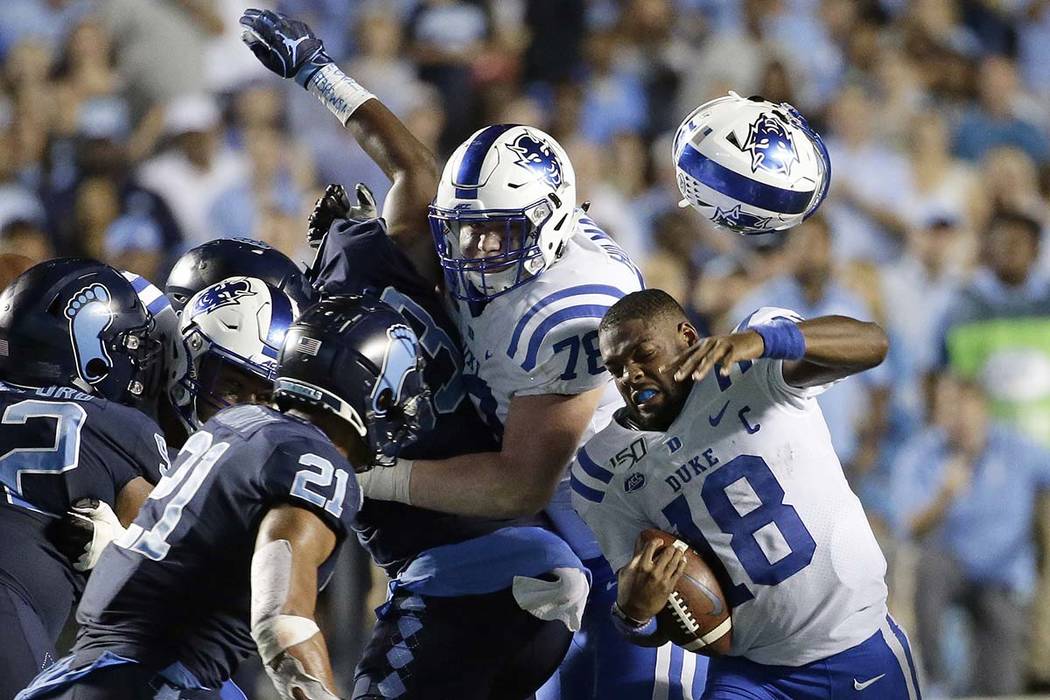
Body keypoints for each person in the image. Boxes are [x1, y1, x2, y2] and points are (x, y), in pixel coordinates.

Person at [238, 9, 690, 697]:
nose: (473, 252)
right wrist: (316, 71)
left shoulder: (566, 314)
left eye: (495, 235)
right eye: (464, 229)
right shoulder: (445, 225)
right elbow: (409, 160)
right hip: (531, 515)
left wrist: (372, 477)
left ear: (551, 229)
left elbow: (520, 482)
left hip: (610, 519)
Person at [17, 294, 432, 700]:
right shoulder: (316, 461)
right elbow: (282, 621)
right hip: (157, 679)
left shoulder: (235, 424)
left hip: (75, 675)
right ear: (372, 388)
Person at [571, 289, 922, 699]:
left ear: (687, 336)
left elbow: (872, 344)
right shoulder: (604, 468)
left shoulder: (750, 364)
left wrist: (765, 341)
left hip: (857, 642)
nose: (631, 375)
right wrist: (631, 614)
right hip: (754, 675)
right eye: (617, 368)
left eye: (643, 354)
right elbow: (648, 616)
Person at [306, 186, 583, 699]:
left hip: (467, 578)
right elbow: (414, 172)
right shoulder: (446, 290)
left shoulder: (321, 368)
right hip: (546, 558)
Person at [0, 258, 167, 699]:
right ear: (93, 349)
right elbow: (172, 572)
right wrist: (117, 553)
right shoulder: (119, 427)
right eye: (128, 345)